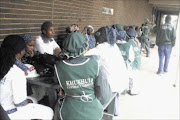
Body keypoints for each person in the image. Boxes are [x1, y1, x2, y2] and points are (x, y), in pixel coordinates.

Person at [54, 32, 108, 120]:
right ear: (85, 45)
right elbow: (104, 94)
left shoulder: (58, 67)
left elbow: (59, 84)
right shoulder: (95, 64)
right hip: (92, 111)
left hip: (69, 112)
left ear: (65, 47)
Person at [0, 35, 53, 120]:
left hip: (2, 106)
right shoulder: (17, 72)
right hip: (8, 114)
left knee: (33, 100)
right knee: (49, 111)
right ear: (21, 52)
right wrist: (29, 102)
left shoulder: (4, 65)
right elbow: (20, 103)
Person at [84, 26, 129, 116]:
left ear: (103, 37)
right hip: (120, 83)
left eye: (99, 35)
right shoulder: (113, 46)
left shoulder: (100, 48)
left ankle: (94, 112)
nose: (97, 36)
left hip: (111, 87)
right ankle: (115, 110)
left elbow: (83, 57)